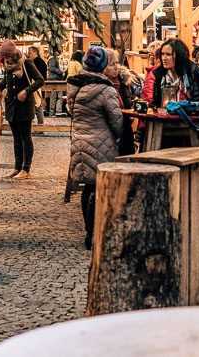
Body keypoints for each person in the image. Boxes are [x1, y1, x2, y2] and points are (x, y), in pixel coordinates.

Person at [67, 46, 127, 250]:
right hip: (101, 144)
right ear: (102, 66)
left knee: (87, 189)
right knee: (101, 189)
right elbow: (117, 122)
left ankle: (89, 233)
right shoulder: (106, 89)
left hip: (79, 143)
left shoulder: (74, 86)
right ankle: (99, 233)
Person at [0, 40, 44, 180]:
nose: (6, 59)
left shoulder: (26, 63)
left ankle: (26, 169)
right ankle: (17, 167)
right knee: (16, 138)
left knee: (26, 138)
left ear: (13, 55)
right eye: (4, 57)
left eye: (7, 57)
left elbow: (40, 80)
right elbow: (6, 81)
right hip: (12, 106)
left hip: (24, 106)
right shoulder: (8, 66)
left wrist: (26, 91)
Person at [150, 38, 199, 120]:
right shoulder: (160, 74)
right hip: (165, 121)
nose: (164, 58)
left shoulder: (194, 71)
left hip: (192, 122)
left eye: (168, 54)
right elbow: (155, 102)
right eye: (162, 54)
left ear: (179, 55)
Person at [101, 48, 136, 155]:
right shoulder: (100, 85)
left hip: (125, 131)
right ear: (103, 67)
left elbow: (127, 102)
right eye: (112, 64)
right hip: (107, 134)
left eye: (117, 63)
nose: (116, 67)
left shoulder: (122, 81)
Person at [27, 47, 47, 125]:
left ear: (35, 53)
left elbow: (40, 77)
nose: (28, 55)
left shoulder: (38, 62)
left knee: (38, 106)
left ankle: (40, 126)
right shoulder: (34, 61)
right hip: (34, 86)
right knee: (33, 106)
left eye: (30, 53)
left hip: (37, 86)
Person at [46, 52, 65, 116]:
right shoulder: (52, 58)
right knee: (56, 96)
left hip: (54, 78)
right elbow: (51, 68)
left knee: (56, 96)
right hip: (54, 78)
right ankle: (55, 112)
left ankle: (55, 112)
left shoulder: (52, 58)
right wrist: (60, 72)